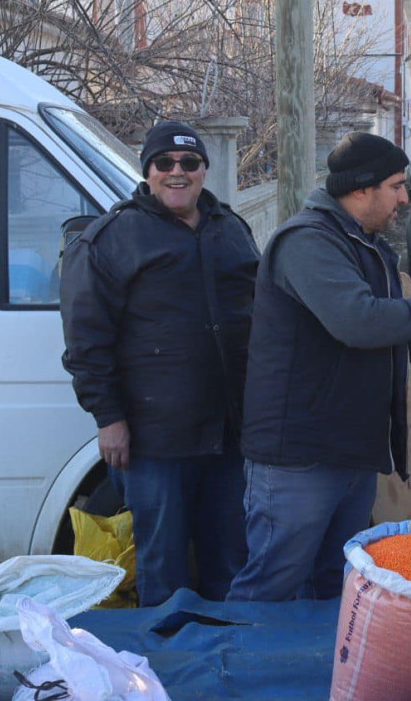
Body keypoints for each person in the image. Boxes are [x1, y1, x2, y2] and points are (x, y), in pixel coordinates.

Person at [228, 132, 411, 602]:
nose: (405, 197)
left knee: (331, 583)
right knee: (272, 582)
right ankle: (242, 670)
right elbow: (359, 322)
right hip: (299, 457)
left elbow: (387, 334)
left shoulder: (365, 246)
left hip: (351, 452)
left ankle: (317, 672)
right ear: (361, 188)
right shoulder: (308, 243)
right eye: (398, 185)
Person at [59, 120, 259, 605]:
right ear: (147, 171)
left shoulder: (230, 229)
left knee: (231, 560)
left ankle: (223, 663)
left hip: (228, 435)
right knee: (162, 564)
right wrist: (109, 419)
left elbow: (261, 318)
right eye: (163, 162)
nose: (177, 172)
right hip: (155, 440)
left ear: (204, 171)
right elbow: (86, 342)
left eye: (189, 163)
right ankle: (164, 669)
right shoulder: (113, 237)